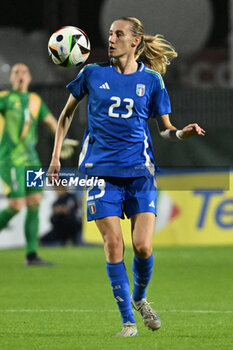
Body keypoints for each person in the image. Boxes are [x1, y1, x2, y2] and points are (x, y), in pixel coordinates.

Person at [48, 17, 205, 336]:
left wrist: (182, 134)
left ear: (135, 42)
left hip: (139, 172)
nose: (111, 39)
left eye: (118, 34)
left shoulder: (152, 80)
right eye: (109, 34)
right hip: (99, 172)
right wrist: (54, 157)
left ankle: (140, 298)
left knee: (143, 246)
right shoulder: (91, 73)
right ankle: (128, 322)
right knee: (113, 245)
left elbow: (165, 130)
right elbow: (66, 115)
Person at [0, 63, 78, 266]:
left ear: (29, 78)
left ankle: (32, 255)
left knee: (34, 203)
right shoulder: (5, 99)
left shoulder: (35, 100)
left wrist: (63, 140)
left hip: (32, 161)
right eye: (16, 72)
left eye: (24, 72)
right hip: (10, 160)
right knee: (16, 206)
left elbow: (51, 121)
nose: (20, 75)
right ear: (11, 78)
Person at [39, 180, 82, 246]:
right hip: (59, 229)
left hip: (72, 228)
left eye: (59, 187)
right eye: (56, 188)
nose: (57, 190)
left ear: (64, 187)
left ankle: (70, 240)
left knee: (69, 222)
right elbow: (52, 220)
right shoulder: (55, 203)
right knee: (42, 240)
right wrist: (57, 213)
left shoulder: (72, 198)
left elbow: (77, 215)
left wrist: (65, 211)